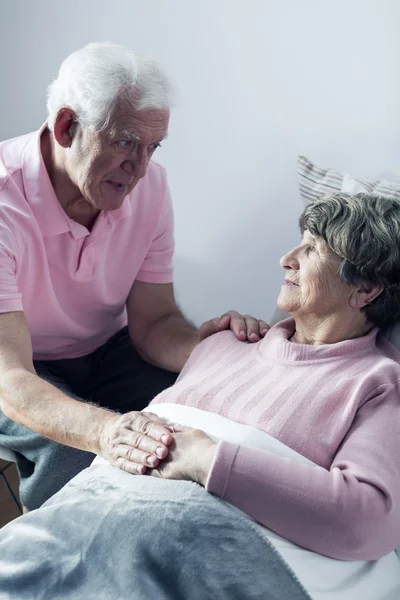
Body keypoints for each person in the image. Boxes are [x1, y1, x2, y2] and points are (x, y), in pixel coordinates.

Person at [0, 42, 269, 511]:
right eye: (125, 142)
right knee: (74, 457)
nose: (141, 169)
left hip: (105, 349)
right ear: (67, 127)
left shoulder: (149, 185)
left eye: (153, 147)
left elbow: (154, 322)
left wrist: (216, 352)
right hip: (21, 367)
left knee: (202, 417)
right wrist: (105, 430)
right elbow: (13, 377)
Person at [145, 192, 400, 561]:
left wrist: (207, 459)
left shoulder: (380, 384)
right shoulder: (223, 341)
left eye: (312, 249)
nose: (287, 260)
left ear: (365, 289)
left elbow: (367, 521)